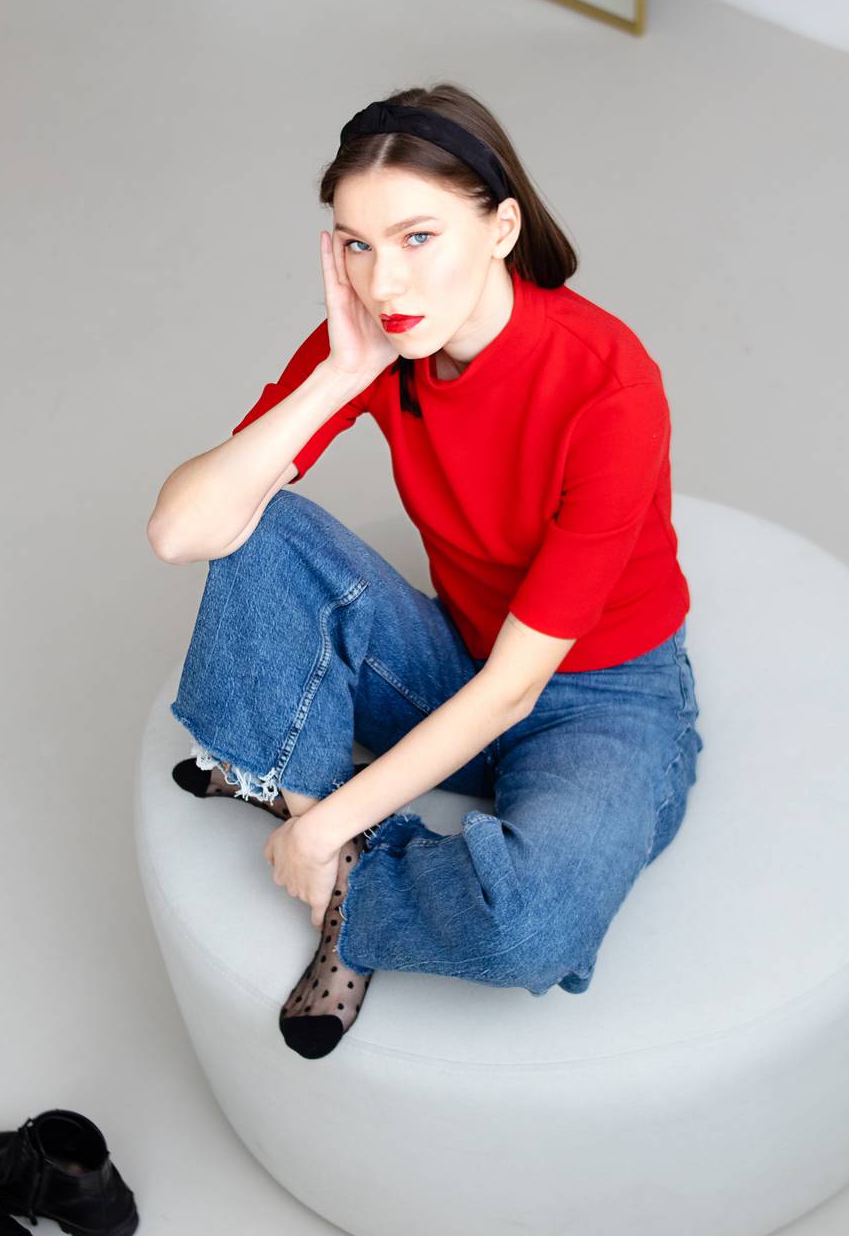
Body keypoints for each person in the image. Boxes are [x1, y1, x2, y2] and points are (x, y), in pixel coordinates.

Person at [146, 82, 704, 1061]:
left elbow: (517, 688)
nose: (383, 281)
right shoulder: (379, 340)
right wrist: (340, 373)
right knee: (251, 522)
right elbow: (180, 530)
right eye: (356, 245)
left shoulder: (608, 387)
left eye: (416, 238)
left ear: (501, 229)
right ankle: (329, 813)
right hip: (455, 655)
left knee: (532, 923)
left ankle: (335, 850)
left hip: (604, 698)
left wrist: (317, 831)